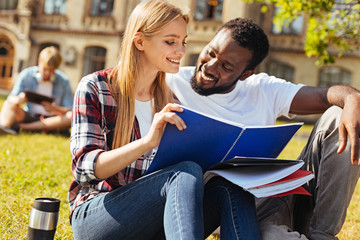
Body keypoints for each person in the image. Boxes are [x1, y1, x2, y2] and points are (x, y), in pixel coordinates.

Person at [68, 1, 260, 240]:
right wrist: (148, 141)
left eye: (183, 42)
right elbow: (84, 169)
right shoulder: (96, 87)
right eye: (170, 42)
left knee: (232, 185)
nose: (180, 50)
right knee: (183, 172)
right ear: (139, 42)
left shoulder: (170, 100)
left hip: (151, 220)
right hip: (98, 216)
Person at [166, 18, 360, 240]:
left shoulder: (262, 89)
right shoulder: (170, 82)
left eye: (226, 66)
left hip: (268, 198)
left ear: (245, 73)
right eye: (211, 52)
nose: (210, 67)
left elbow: (322, 95)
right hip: (215, 209)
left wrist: (352, 97)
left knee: (338, 114)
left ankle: (322, 234)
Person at [0, 46, 73, 135]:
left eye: (51, 70)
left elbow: (70, 110)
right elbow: (11, 98)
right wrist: (19, 99)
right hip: (30, 116)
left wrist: (55, 109)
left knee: (72, 116)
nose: (47, 73)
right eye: (45, 69)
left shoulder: (63, 81)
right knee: (8, 104)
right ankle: (4, 129)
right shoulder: (27, 74)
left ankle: (21, 127)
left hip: (52, 120)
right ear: (39, 61)